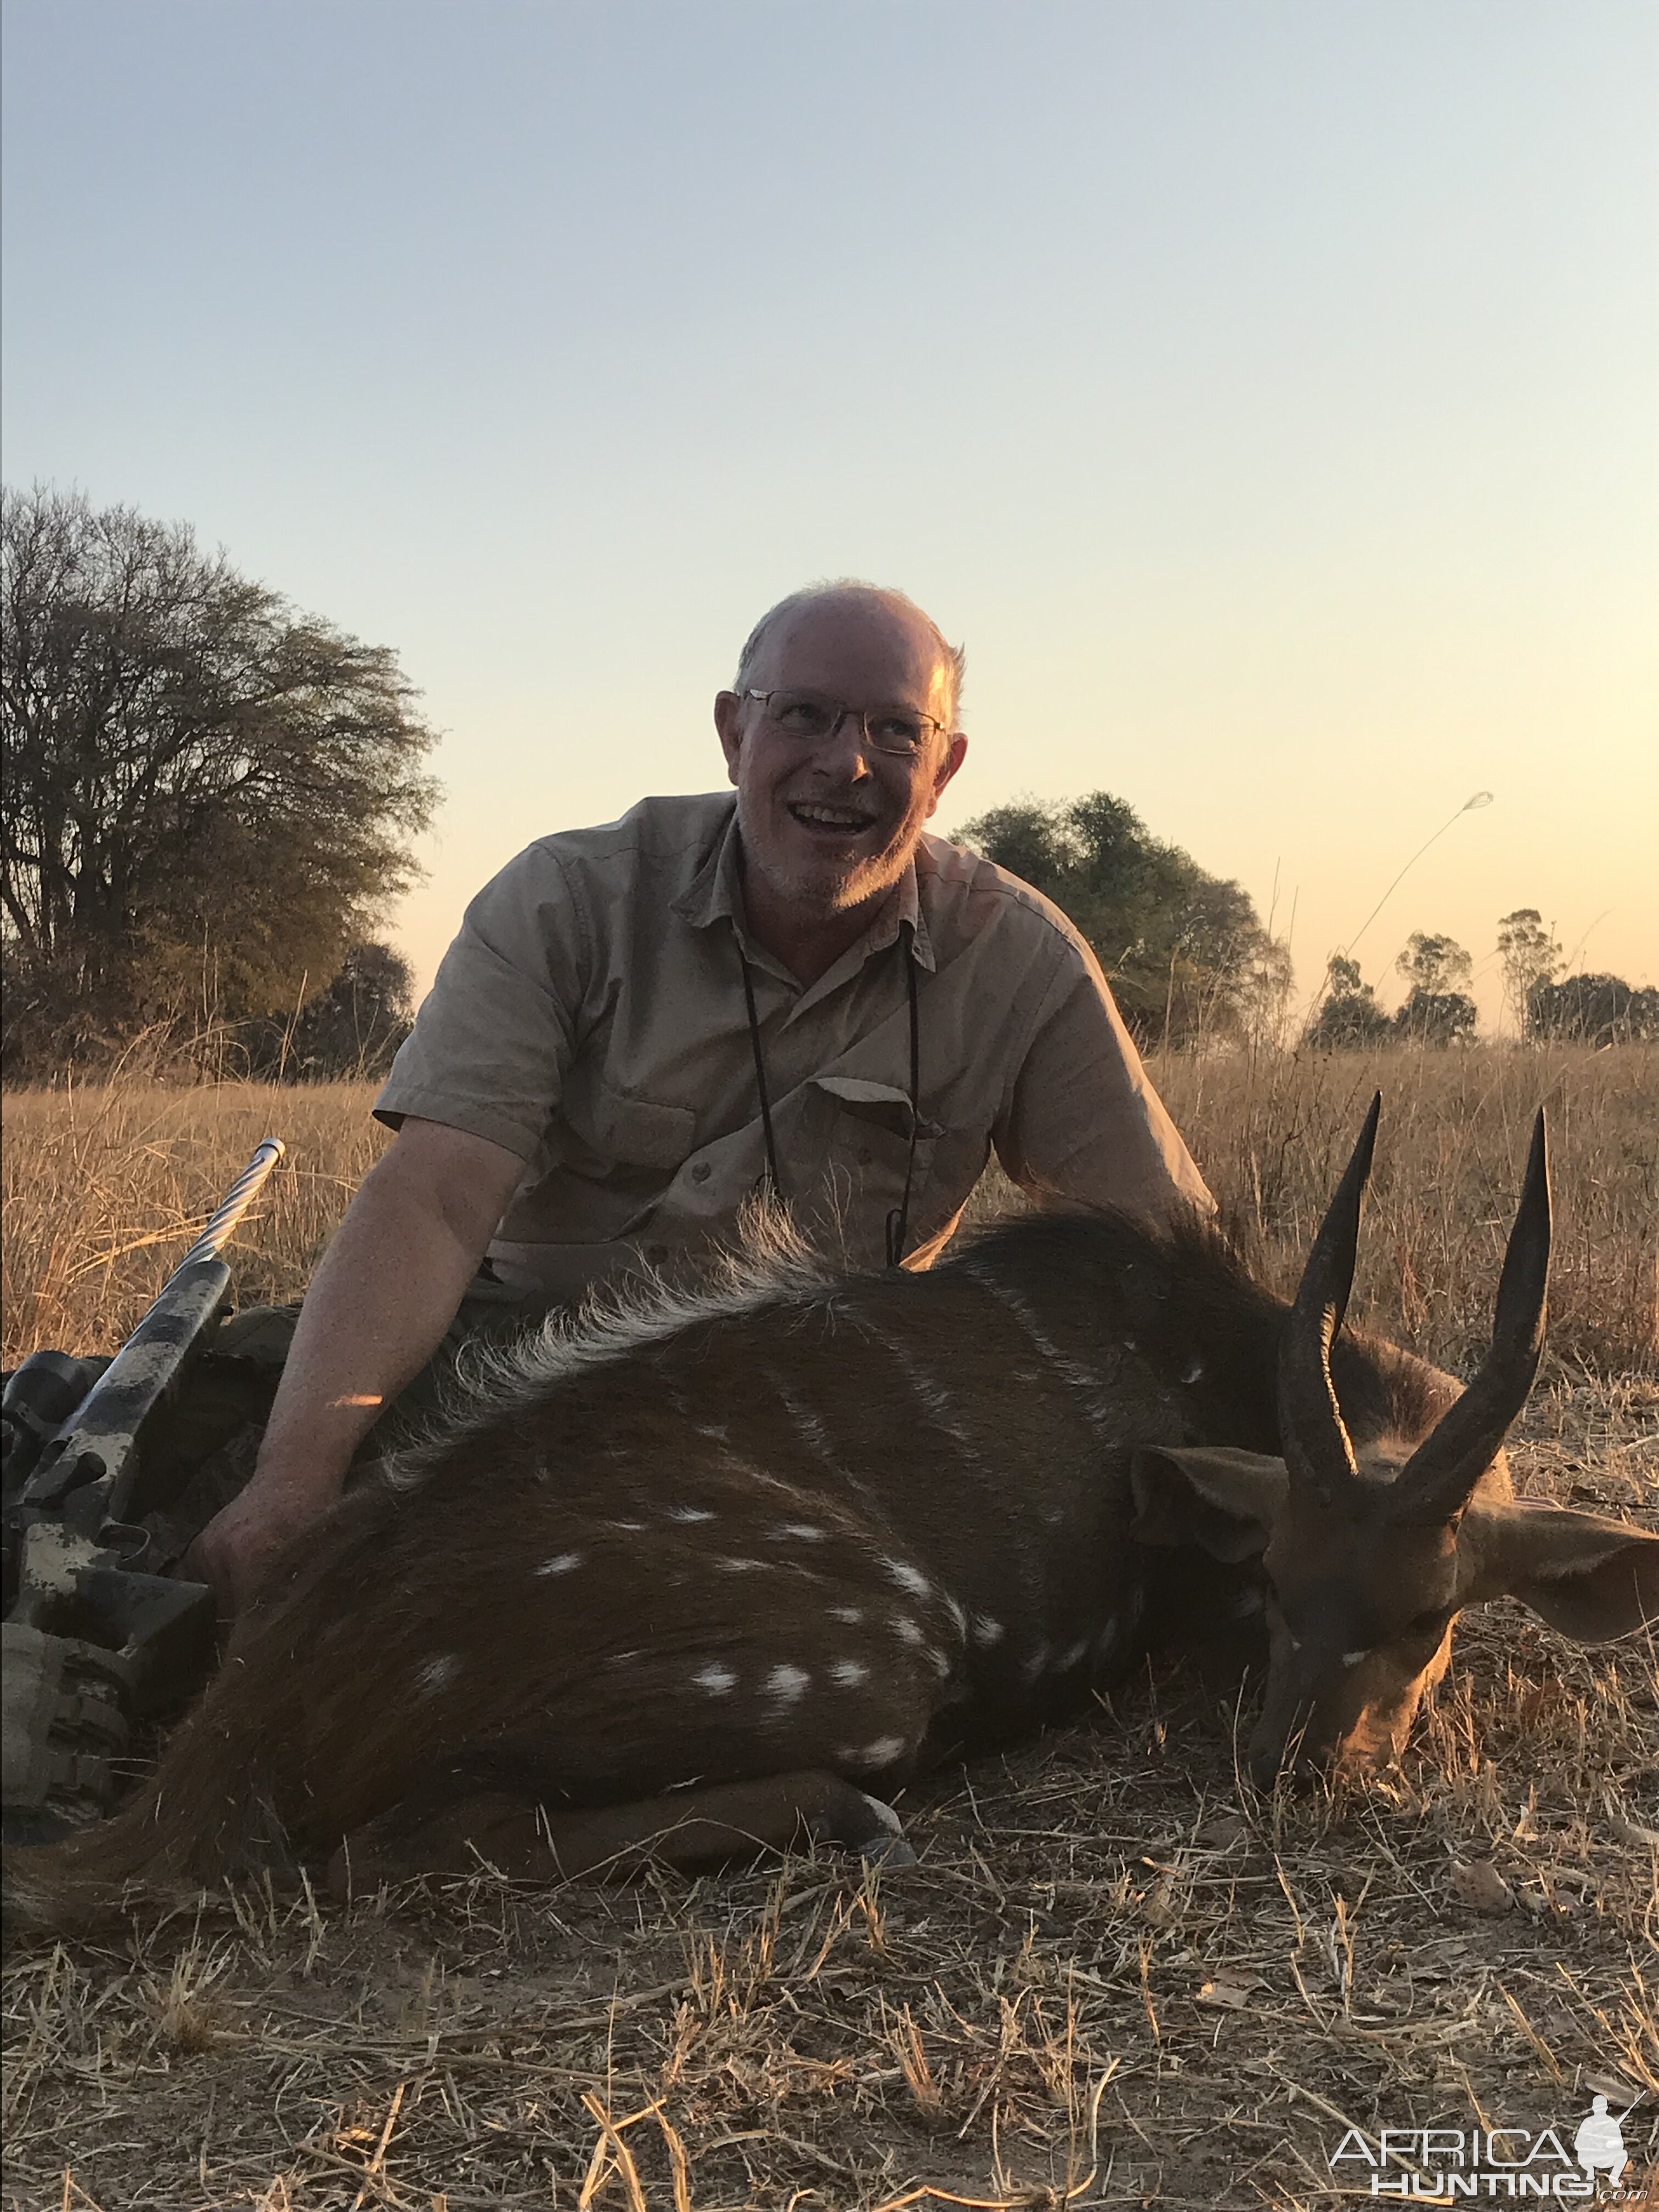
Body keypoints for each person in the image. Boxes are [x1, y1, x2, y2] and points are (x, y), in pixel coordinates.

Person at [186, 581, 1210, 1612]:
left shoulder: (1023, 960)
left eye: (896, 732)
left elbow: (1171, 1259)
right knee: (201, 1450)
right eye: (804, 714)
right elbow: (437, 1200)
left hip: (812, 1419)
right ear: (733, 730)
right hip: (523, 1363)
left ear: (943, 770)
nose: (846, 763)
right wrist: (295, 1478)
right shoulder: (563, 901)